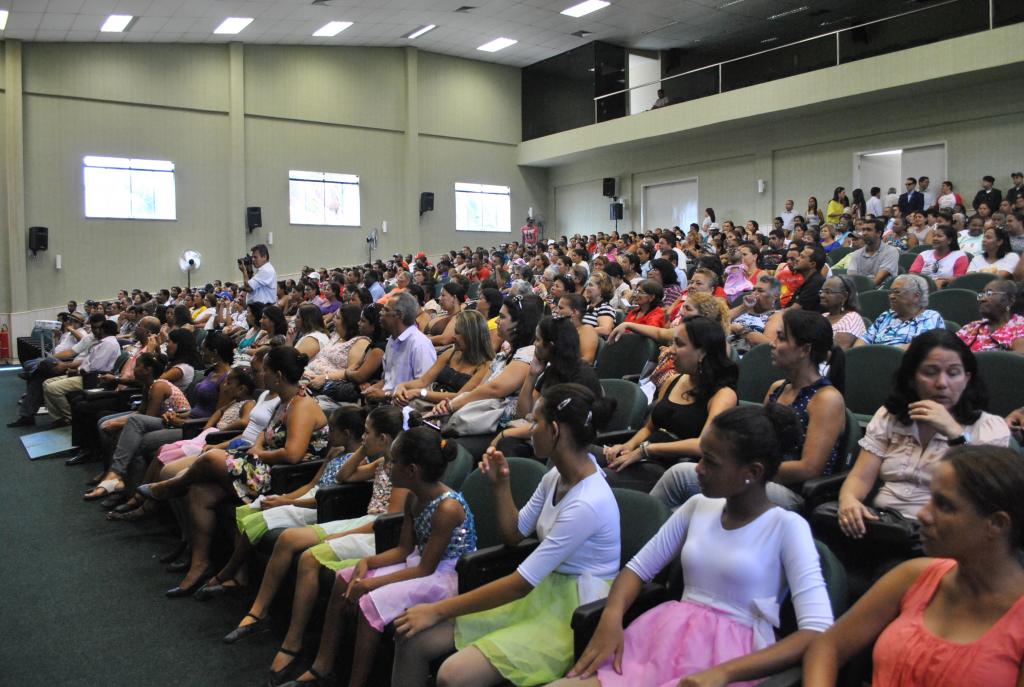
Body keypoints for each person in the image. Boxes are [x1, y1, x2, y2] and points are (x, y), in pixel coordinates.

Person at [558, 404, 834, 687]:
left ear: (752, 472)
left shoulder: (787, 527)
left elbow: (816, 630)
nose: (698, 468)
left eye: (711, 462)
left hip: (734, 660)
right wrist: (612, 616)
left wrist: (724, 673)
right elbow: (637, 569)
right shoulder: (697, 506)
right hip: (663, 642)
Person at [392, 383, 620, 687]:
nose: (529, 429)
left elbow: (519, 585)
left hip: (572, 610)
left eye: (535, 422)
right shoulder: (556, 476)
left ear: (554, 431)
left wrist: (436, 610)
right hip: (541, 592)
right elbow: (515, 534)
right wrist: (501, 485)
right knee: (412, 638)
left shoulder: (587, 503)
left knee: (453, 674)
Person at [803, 445, 1024, 687]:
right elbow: (827, 646)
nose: (923, 514)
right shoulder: (914, 575)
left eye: (945, 506)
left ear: (997, 524)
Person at [223, 406, 407, 686]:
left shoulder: (402, 471)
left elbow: (386, 523)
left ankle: (294, 641)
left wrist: (339, 535)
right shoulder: (383, 461)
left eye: (368, 433)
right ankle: (259, 611)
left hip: (376, 532)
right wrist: (363, 450)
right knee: (289, 539)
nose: (363, 436)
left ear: (384, 438)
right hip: (365, 522)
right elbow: (345, 477)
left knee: (309, 557)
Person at [281, 427, 478, 687]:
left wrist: (370, 584)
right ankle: (322, 665)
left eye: (394, 461)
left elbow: (426, 570)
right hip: (419, 562)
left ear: (411, 471)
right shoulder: (413, 498)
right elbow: (404, 550)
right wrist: (366, 562)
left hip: (447, 576)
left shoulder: (447, 508)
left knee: (371, 603)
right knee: (344, 578)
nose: (388, 466)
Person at [138, 346, 330, 596]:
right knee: (198, 493)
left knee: (210, 458)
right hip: (262, 466)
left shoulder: (302, 405)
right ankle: (200, 564)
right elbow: (265, 434)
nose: (260, 375)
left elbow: (293, 454)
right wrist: (258, 446)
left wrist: (257, 452)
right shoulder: (285, 400)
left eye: (266, 370)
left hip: (282, 477)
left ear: (279, 375)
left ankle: (169, 487)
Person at [653, 310, 845, 511]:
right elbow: (756, 441)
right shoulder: (777, 388)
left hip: (790, 490)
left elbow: (809, 468)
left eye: (781, 338)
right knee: (680, 487)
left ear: (805, 349)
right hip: (755, 475)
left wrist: (741, 470)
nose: (772, 343)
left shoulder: (826, 399)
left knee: (685, 483)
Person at [836, 330, 1009, 540]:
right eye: (930, 372)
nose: (942, 383)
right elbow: (861, 477)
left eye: (953, 373)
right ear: (911, 378)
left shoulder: (990, 427)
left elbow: (983, 496)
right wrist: (849, 500)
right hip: (881, 526)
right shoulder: (892, 416)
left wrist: (954, 434)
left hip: (943, 536)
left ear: (967, 379)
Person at [603, 316, 738, 489]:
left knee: (594, 477)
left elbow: (704, 445)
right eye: (672, 343)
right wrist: (627, 446)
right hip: (645, 455)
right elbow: (649, 428)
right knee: (581, 456)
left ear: (702, 352)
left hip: (672, 470)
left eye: (679, 345)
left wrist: (646, 450)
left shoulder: (723, 395)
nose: (670, 351)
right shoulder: (673, 380)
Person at [392, 310, 494, 409]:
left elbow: (460, 396)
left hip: (450, 410)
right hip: (428, 403)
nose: (453, 336)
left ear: (471, 336)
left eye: (458, 333)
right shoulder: (450, 353)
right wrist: (402, 386)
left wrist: (420, 393)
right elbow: (423, 381)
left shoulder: (485, 366)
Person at [363, 292, 437, 404]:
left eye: (385, 310)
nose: (380, 313)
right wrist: (372, 389)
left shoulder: (420, 345)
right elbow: (388, 380)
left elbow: (424, 390)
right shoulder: (392, 340)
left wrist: (386, 395)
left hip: (406, 409)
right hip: (387, 404)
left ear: (399, 315)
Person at [857, 274, 944, 348]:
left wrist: (884, 354)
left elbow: (921, 347)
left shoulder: (930, 317)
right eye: (890, 292)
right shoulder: (886, 315)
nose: (891, 296)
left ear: (916, 296)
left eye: (897, 292)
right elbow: (864, 339)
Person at [955, 280, 1024, 353]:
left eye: (989, 293)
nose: (982, 299)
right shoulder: (973, 326)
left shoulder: (1020, 328)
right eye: (982, 294)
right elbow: (950, 351)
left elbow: (1018, 358)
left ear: (1010, 300)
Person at [728, 275, 783, 356]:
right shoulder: (743, 309)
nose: (754, 293)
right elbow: (718, 320)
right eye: (754, 290)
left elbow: (767, 345)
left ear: (775, 296)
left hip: (744, 357)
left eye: (760, 291)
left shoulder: (776, 315)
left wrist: (742, 330)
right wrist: (744, 307)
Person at [909, 224, 969, 288]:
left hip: (947, 289)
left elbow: (960, 279)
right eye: (934, 236)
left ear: (950, 240)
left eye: (939, 236)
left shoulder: (959, 256)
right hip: (922, 288)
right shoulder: (924, 255)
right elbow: (913, 274)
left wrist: (944, 281)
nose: (935, 238)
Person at [847, 218, 899, 286]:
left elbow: (877, 281)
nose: (864, 233)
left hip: (881, 290)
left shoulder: (891, 251)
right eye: (863, 230)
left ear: (879, 233)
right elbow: (851, 278)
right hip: (860, 289)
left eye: (869, 230)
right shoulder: (857, 253)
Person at [819, 275, 866, 349]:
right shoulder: (823, 316)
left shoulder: (852, 318)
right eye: (821, 291)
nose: (822, 295)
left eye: (828, 292)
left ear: (844, 296)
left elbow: (838, 350)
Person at [788, 244, 828, 312]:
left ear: (812, 264)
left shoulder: (816, 283)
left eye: (802, 257)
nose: (797, 259)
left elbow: (794, 310)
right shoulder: (807, 281)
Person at [582, 271, 617, 337]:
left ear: (602, 288)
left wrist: (580, 332)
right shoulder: (586, 305)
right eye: (587, 285)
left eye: (590, 285)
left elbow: (605, 330)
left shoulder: (605, 308)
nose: (587, 288)